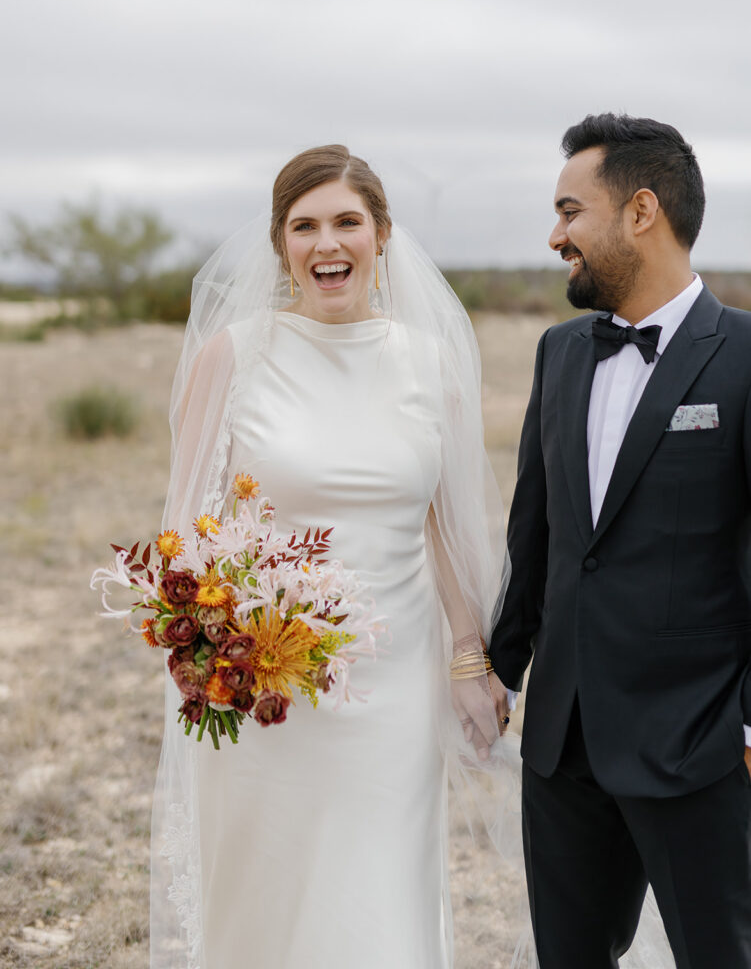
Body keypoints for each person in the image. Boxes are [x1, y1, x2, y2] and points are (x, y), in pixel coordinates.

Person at [150, 145, 517, 969]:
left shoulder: (430, 364)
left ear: (381, 235)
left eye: (346, 222)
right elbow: (187, 531)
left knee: (377, 896)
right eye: (304, 225)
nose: (327, 244)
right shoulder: (232, 357)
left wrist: (469, 660)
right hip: (266, 689)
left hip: (392, 688)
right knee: (268, 899)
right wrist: (215, 649)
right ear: (279, 244)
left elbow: (448, 527)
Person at [490, 112, 751, 968]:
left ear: (641, 212)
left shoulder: (745, 358)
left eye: (571, 211)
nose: (555, 235)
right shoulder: (560, 353)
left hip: (699, 743)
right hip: (560, 746)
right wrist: (498, 669)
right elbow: (538, 534)